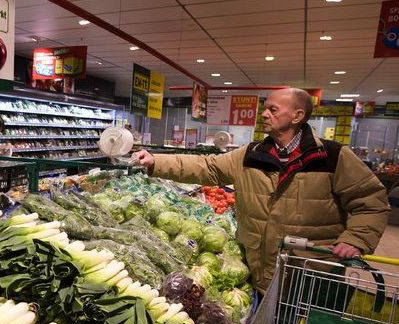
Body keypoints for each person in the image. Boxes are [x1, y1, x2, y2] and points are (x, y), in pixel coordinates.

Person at [132, 88, 390, 294]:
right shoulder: (250, 154)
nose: (264, 114)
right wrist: (157, 161)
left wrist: (355, 238)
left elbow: (371, 200)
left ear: (297, 116)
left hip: (313, 274)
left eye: (272, 109)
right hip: (260, 271)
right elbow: (207, 166)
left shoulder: (333, 157)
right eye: (264, 108)